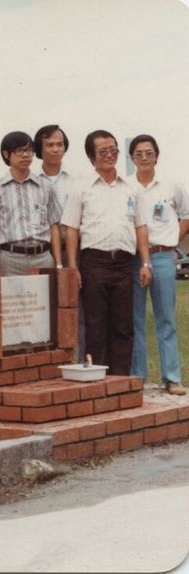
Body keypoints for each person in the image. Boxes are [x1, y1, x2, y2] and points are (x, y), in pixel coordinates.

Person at [61, 130, 152, 376]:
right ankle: (95, 383)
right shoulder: (81, 187)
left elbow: (141, 226)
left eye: (113, 150)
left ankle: (119, 382)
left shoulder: (131, 188)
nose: (110, 155)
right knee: (95, 326)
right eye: (103, 151)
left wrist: (145, 263)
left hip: (124, 264)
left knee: (123, 327)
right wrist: (73, 267)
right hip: (93, 263)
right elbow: (71, 228)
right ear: (92, 157)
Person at [128, 135, 188, 395]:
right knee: (135, 319)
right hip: (133, 257)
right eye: (138, 153)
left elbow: (185, 215)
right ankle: (137, 378)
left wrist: (174, 240)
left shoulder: (171, 185)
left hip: (163, 256)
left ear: (156, 156)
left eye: (148, 153)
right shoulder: (126, 186)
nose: (144, 157)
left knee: (166, 319)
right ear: (131, 158)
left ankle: (172, 377)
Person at [35, 124, 85, 358]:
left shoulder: (76, 181)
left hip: (73, 252)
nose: (55, 149)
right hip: (43, 254)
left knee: (78, 311)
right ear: (40, 149)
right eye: (49, 145)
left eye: (59, 144)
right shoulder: (32, 182)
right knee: (45, 311)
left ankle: (79, 360)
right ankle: (48, 363)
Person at [0, 131, 62, 276]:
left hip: (43, 257)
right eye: (20, 151)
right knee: (13, 299)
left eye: (29, 150)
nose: (26, 155)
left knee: (46, 299)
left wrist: (58, 263)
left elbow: (54, 226)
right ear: (6, 154)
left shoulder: (47, 186)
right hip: (10, 260)